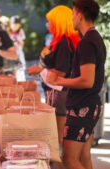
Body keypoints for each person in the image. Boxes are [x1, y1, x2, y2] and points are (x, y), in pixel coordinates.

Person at [47, 1, 106, 169]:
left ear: (80, 16)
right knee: (83, 157)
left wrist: (58, 81)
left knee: (69, 159)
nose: (71, 17)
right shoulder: (95, 38)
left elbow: (87, 80)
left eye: (73, 13)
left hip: (82, 106)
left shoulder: (87, 42)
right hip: (89, 104)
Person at [29, 5, 81, 168]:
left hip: (61, 95)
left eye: (50, 21)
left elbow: (61, 72)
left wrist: (40, 70)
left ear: (58, 22)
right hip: (58, 93)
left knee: (61, 137)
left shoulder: (64, 42)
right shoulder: (61, 40)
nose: (47, 24)